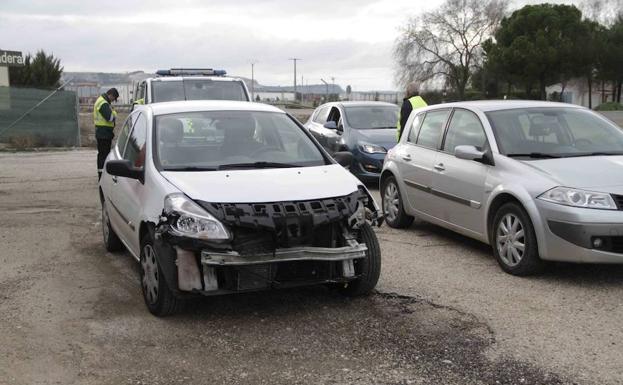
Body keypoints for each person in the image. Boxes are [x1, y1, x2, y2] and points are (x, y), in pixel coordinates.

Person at [94, 88, 119, 179]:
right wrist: (114, 112)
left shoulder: (103, 101)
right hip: (103, 134)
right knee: (103, 155)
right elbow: (110, 118)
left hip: (103, 133)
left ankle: (102, 174)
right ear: (110, 95)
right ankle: (102, 176)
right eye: (114, 98)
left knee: (103, 154)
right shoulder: (103, 103)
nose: (113, 100)